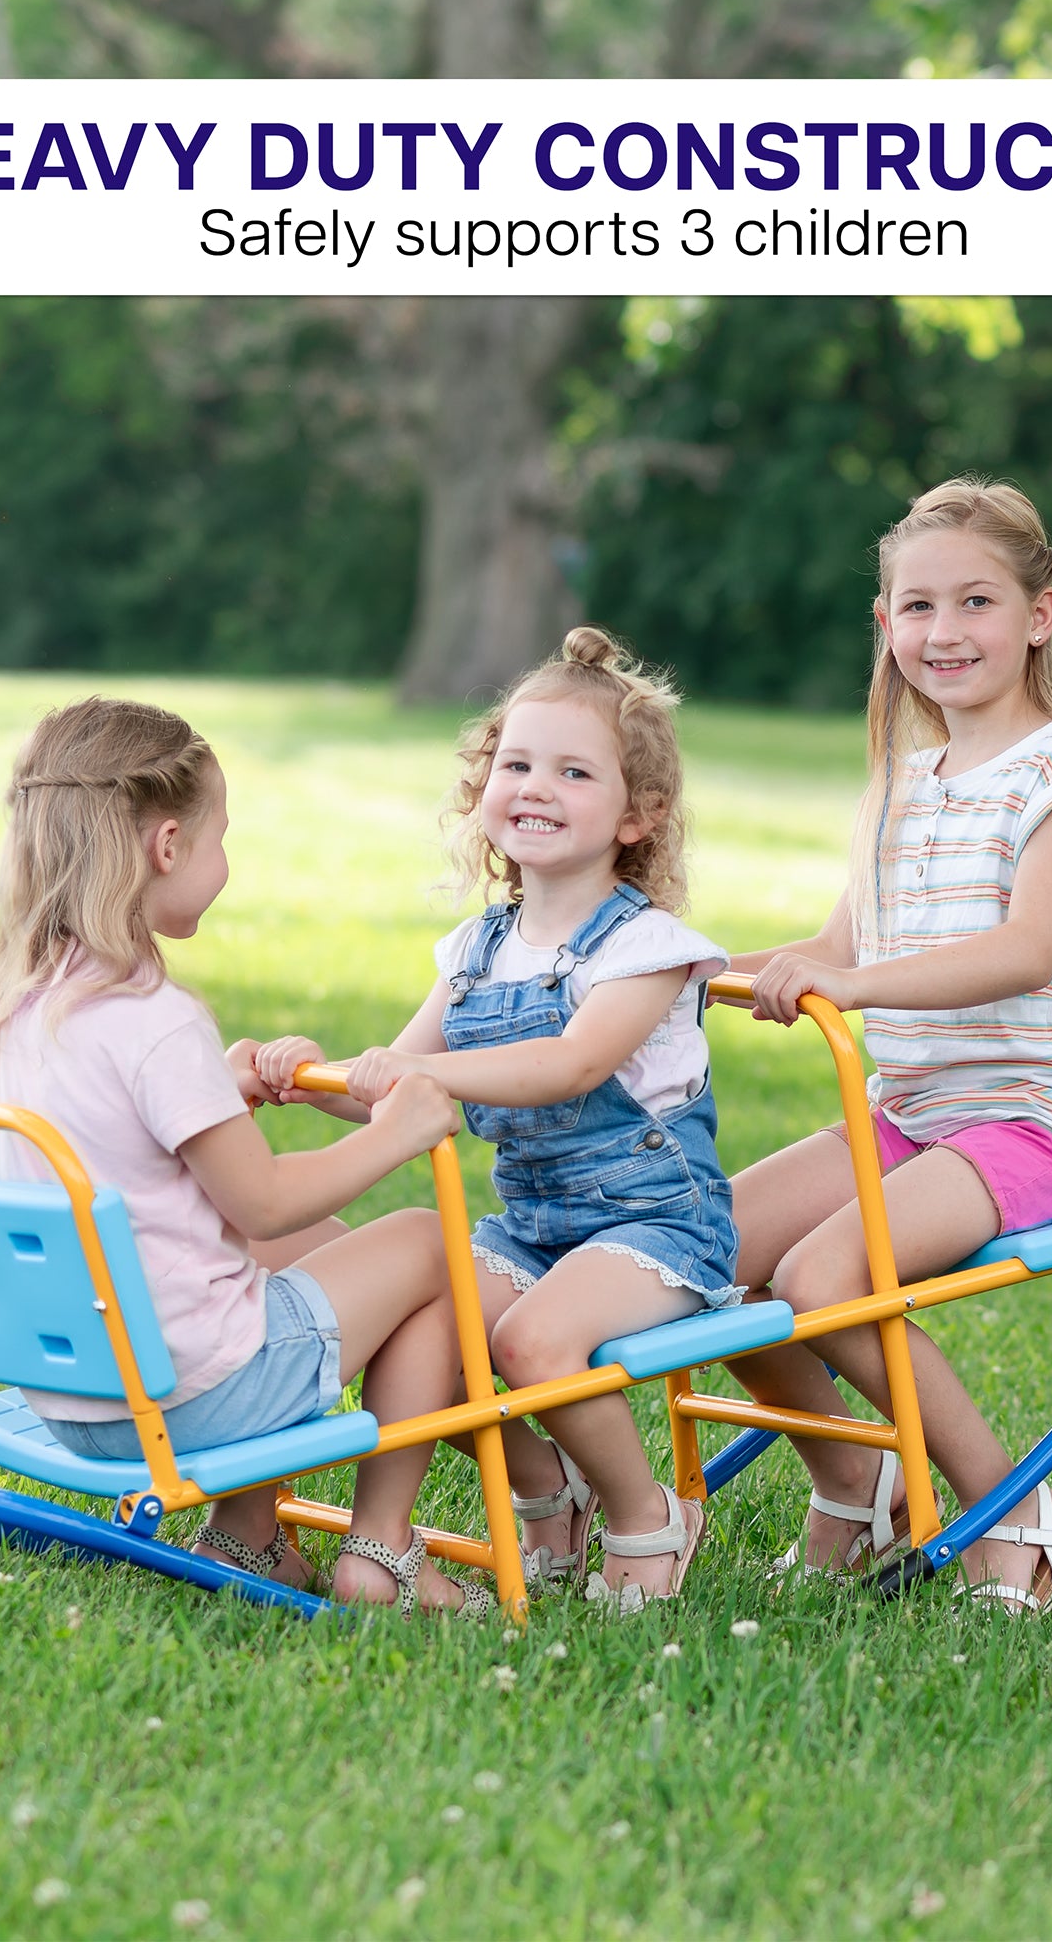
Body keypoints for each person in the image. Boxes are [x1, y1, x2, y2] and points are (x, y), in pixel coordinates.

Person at [0, 695, 490, 1618]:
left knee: (321, 1245)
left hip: (75, 1393)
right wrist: (392, 1134)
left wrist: (221, 1088)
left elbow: (134, 1146)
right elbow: (261, 1203)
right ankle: (382, 1552)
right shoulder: (155, 1020)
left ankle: (250, 1539)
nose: (224, 861)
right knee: (426, 1245)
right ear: (167, 846)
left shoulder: (25, 1003)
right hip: (185, 1399)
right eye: (219, 838)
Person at [257, 628, 738, 1611]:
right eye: (516, 763)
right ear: (483, 783)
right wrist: (293, 1071)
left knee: (525, 1342)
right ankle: (542, 1492)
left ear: (637, 815)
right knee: (431, 1321)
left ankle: (645, 1514)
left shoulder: (645, 944)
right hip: (535, 1226)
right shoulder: (476, 948)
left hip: (654, 1226)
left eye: (572, 770)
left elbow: (574, 1061)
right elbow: (381, 1082)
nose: (535, 786)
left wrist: (420, 1067)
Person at [726, 477, 1052, 1616]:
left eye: (975, 602)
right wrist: (686, 972)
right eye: (914, 607)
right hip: (911, 1113)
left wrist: (845, 984)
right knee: (698, 1247)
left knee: (821, 1275)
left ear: (1039, 613)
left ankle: (1022, 1516)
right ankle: (855, 1482)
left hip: (1035, 1120)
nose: (941, 633)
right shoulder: (899, 781)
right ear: (885, 622)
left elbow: (1026, 949)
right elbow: (836, 942)